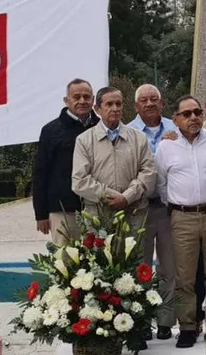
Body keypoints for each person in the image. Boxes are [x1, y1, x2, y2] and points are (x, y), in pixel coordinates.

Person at [155, 95, 206, 348]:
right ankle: (188, 326)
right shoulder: (166, 146)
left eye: (197, 112)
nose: (193, 118)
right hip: (182, 217)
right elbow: (162, 184)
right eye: (186, 114)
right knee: (185, 276)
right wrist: (180, 205)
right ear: (175, 119)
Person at [126, 84, 179, 339]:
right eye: (144, 100)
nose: (149, 104)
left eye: (154, 99)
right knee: (141, 266)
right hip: (140, 208)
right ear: (136, 106)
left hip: (169, 208)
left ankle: (166, 320)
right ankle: (142, 319)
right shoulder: (128, 132)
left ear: (162, 102)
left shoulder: (176, 128)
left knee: (170, 266)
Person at [71, 87, 156, 234]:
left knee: (133, 256)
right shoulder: (84, 140)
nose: (115, 108)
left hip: (133, 214)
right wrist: (111, 196)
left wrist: (127, 197)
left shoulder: (139, 138)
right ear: (97, 109)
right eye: (109, 104)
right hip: (98, 217)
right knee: (100, 258)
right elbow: (80, 180)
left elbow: (149, 173)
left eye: (118, 104)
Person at [32, 79, 99, 243]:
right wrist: (41, 214)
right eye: (77, 97)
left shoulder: (102, 127)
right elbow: (40, 173)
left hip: (97, 208)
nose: (82, 101)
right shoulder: (51, 130)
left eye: (86, 96)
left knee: (101, 263)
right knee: (66, 263)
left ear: (93, 99)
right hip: (63, 209)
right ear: (66, 100)